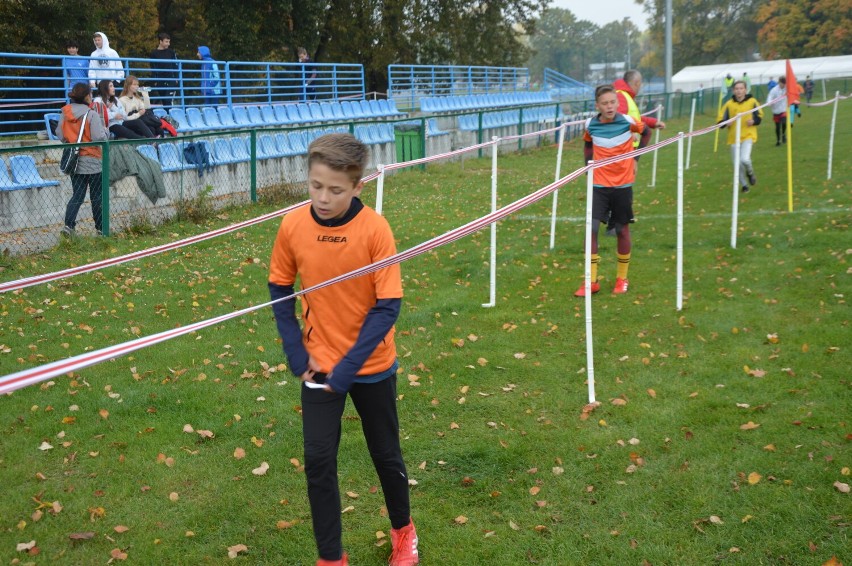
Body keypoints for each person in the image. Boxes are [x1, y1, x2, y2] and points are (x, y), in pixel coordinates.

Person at [268, 133, 419, 566]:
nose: (323, 198)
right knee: (317, 461)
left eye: (335, 189)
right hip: (318, 366)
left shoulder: (374, 229)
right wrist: (298, 354)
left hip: (370, 365)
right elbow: (279, 288)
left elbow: (387, 306)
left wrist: (351, 364)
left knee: (385, 453)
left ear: (357, 187)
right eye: (316, 186)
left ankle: (403, 531)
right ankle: (331, 557)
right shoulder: (293, 225)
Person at [574, 85, 650, 297]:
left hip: (622, 185)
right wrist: (588, 165)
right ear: (597, 106)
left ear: (617, 103)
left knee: (621, 230)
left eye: (612, 102)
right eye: (605, 103)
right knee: (592, 228)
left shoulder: (627, 122)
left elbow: (646, 132)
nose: (609, 106)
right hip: (598, 185)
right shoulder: (590, 124)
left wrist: (636, 157)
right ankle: (591, 281)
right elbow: (588, 144)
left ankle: (622, 278)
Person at [55, 83, 109, 238]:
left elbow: (60, 133)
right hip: (92, 159)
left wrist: (70, 141)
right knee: (97, 196)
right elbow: (98, 137)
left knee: (77, 194)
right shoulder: (91, 114)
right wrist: (106, 132)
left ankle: (68, 225)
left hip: (75, 161)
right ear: (87, 96)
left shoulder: (65, 112)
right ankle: (100, 229)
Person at [716, 80, 763, 194]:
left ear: (745, 90)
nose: (739, 91)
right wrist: (725, 123)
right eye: (736, 89)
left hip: (748, 136)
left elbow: (759, 116)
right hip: (733, 138)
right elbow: (720, 121)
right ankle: (744, 185)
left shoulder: (752, 101)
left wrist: (754, 121)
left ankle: (750, 173)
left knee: (745, 159)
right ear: (733, 90)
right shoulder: (729, 104)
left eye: (741, 88)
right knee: (737, 165)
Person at [149, 32, 178, 107]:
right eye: (166, 42)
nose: (168, 44)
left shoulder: (171, 52)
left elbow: (175, 65)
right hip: (160, 80)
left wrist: (176, 78)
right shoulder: (154, 53)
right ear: (160, 41)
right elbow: (153, 67)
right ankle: (166, 118)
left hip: (171, 79)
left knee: (168, 100)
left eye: (169, 42)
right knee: (164, 100)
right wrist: (155, 80)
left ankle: (170, 117)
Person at [767, 77, 787, 146]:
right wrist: (769, 102)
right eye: (782, 84)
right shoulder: (774, 90)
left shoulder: (787, 88)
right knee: (777, 127)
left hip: (784, 109)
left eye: (784, 84)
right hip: (776, 111)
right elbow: (770, 97)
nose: (783, 85)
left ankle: (783, 134)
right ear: (779, 82)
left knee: (784, 122)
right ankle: (778, 140)